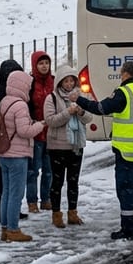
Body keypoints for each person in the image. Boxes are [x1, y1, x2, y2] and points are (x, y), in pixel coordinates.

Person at [69, 60, 133, 240]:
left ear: (125, 73)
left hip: (127, 152)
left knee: (126, 190)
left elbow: (100, 108)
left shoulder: (123, 93)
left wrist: (78, 99)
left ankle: (128, 230)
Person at [0, 70, 44, 242]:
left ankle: (5, 228)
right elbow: (24, 131)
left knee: (6, 192)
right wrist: (40, 125)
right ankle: (14, 229)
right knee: (16, 193)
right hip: (17, 155)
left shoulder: (4, 102)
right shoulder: (21, 105)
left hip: (4, 153)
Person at [43, 66, 91, 228]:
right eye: (66, 81)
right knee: (57, 181)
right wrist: (68, 113)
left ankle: (73, 212)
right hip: (57, 146)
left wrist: (81, 112)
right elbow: (50, 120)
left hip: (76, 145)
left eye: (72, 81)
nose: (70, 84)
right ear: (60, 82)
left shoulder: (81, 96)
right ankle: (56, 214)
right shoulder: (52, 98)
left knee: (73, 181)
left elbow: (89, 117)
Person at [0, 59, 25, 223]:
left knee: (12, 179)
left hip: (15, 139)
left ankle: (11, 208)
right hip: (0, 140)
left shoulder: (19, 92)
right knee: (1, 176)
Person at [26, 51, 54, 214]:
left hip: (51, 133)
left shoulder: (54, 82)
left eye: (46, 63)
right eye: (41, 63)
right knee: (33, 170)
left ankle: (46, 199)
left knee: (49, 170)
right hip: (35, 132)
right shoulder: (30, 84)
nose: (44, 66)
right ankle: (31, 201)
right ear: (35, 65)